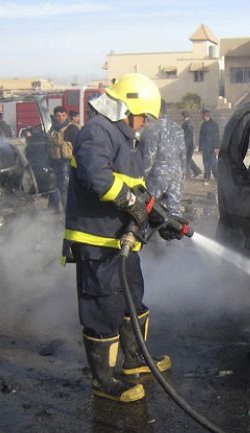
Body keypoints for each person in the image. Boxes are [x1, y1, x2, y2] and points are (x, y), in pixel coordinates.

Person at [62, 73, 177, 403]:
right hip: (96, 240)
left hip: (121, 240)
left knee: (131, 298)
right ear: (128, 108)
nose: (143, 124)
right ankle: (104, 379)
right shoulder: (97, 133)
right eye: (143, 116)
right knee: (102, 307)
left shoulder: (124, 139)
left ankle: (133, 362)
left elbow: (134, 187)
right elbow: (97, 178)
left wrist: (159, 215)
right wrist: (133, 204)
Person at [140, 101, 185, 215]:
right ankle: (175, 232)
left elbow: (149, 156)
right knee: (174, 210)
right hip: (176, 172)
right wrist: (183, 171)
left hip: (158, 174)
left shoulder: (153, 129)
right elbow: (183, 152)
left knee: (152, 207)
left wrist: (142, 177)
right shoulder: (177, 128)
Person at [47, 106, 80, 211]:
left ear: (66, 116)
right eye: (58, 116)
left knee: (64, 188)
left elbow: (78, 146)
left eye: (63, 115)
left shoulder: (72, 129)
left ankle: (68, 211)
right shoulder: (51, 129)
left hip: (67, 162)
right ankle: (53, 211)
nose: (60, 118)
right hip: (53, 162)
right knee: (53, 187)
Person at [198, 109, 220, 185]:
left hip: (212, 147)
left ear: (206, 115)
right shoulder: (203, 125)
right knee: (206, 163)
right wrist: (200, 147)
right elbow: (201, 136)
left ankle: (217, 177)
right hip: (205, 148)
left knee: (214, 163)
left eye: (202, 115)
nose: (201, 116)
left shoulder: (214, 124)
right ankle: (207, 177)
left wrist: (217, 147)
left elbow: (217, 136)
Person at [181, 111, 201, 178]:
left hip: (188, 145)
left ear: (183, 117)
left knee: (187, 160)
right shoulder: (189, 124)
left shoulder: (187, 125)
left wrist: (184, 145)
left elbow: (188, 137)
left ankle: (188, 176)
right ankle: (196, 171)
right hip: (190, 145)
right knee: (188, 159)